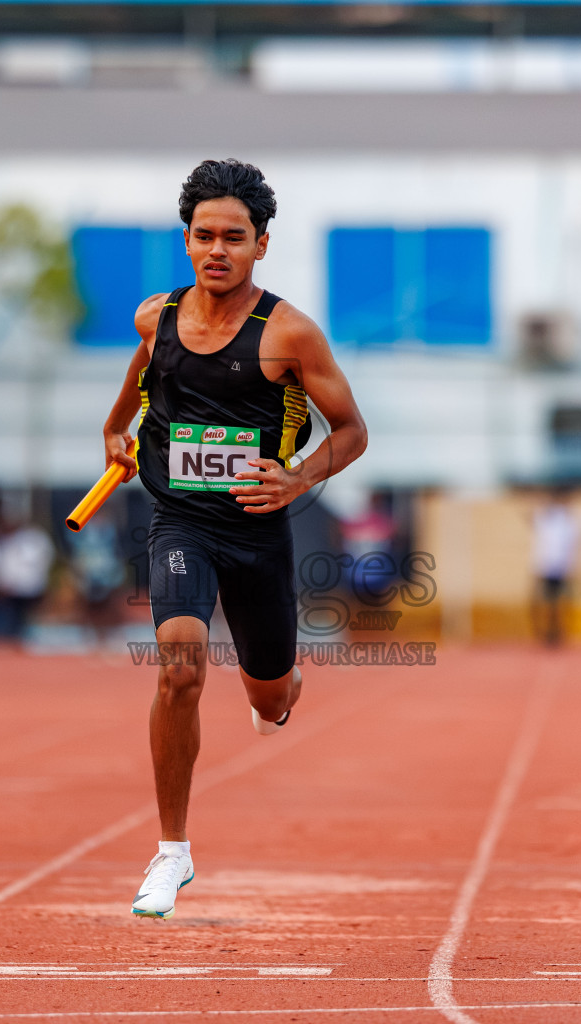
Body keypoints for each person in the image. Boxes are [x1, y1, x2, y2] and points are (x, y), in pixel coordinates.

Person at [99, 159, 368, 919]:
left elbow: (352, 431)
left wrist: (298, 478)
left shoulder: (289, 334)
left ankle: (281, 691)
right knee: (180, 667)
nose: (217, 250)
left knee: (269, 695)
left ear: (261, 244)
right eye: (204, 235)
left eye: (234, 237)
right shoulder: (156, 320)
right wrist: (116, 435)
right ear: (187, 240)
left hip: (256, 530)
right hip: (180, 520)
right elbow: (133, 396)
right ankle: (172, 852)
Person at [531, 490, 581, 648]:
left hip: (562, 567)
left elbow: (575, 544)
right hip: (545, 566)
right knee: (544, 602)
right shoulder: (546, 516)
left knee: (561, 602)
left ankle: (559, 632)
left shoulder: (572, 519)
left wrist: (573, 566)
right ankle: (545, 632)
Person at [0, 519, 53, 643]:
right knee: (13, 617)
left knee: (29, 616)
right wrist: (5, 580)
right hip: (16, 587)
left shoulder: (36, 539)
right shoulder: (14, 540)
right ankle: (12, 639)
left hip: (31, 586)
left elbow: (44, 561)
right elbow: (8, 562)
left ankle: (26, 639)